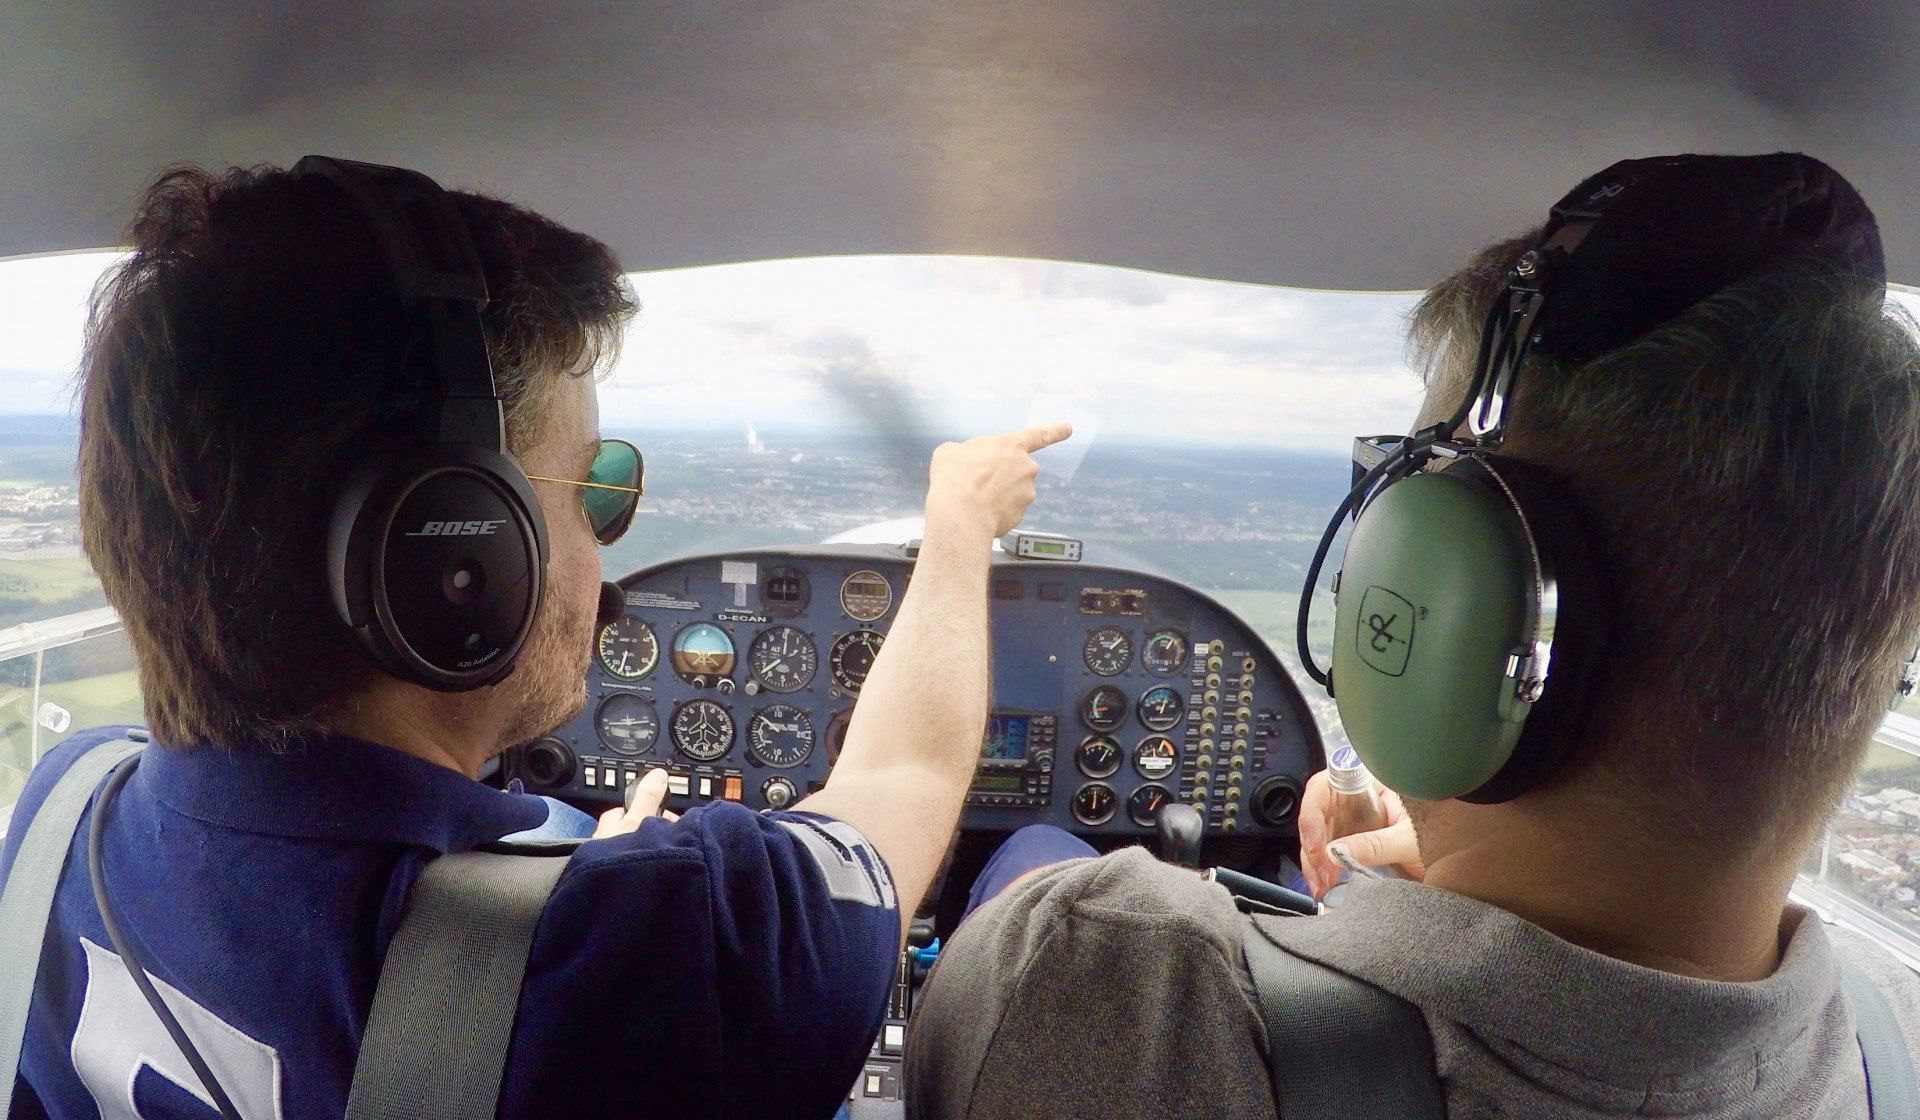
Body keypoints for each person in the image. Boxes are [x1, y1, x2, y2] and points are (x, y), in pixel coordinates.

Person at [0, 161, 1068, 1119]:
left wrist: (528, 880)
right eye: (592, 485)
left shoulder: (57, 816)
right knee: (1048, 875)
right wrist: (961, 523)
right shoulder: (643, 948)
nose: (606, 532)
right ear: (451, 561)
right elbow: (909, 773)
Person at [906, 153, 1920, 1118]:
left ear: (1439, 609)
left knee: (1032, 849)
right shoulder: (1892, 1043)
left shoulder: (1102, 978)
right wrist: (1459, 858)